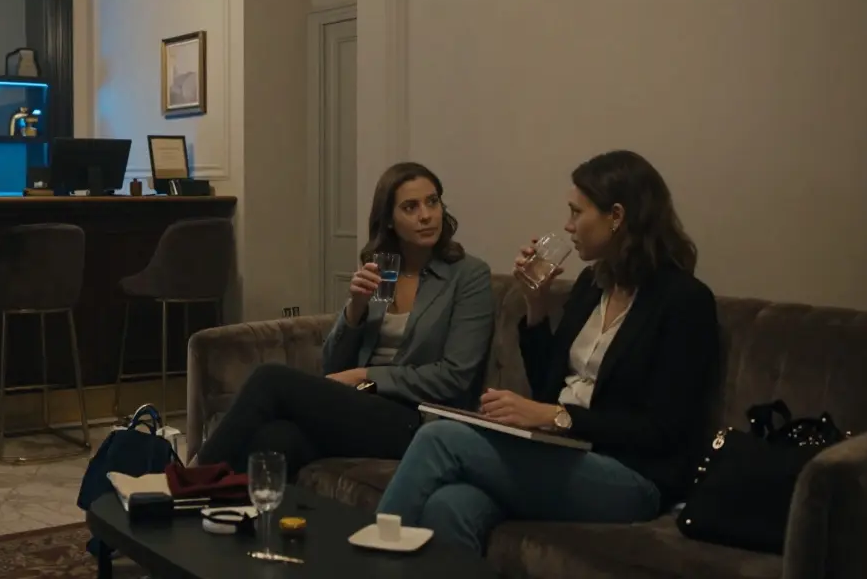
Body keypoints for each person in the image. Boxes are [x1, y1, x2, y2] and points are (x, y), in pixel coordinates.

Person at [376, 150, 720, 554]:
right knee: (449, 506)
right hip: (563, 454)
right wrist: (536, 306)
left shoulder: (683, 300)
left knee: (439, 439)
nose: (568, 225)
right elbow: (548, 384)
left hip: (632, 476)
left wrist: (557, 418)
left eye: (577, 212)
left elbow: (663, 428)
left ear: (617, 216)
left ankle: (359, 567)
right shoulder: (593, 284)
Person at [194, 162, 495, 479]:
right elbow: (332, 366)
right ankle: (224, 517)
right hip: (362, 407)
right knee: (276, 440)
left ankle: (191, 479)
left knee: (270, 379)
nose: (426, 215)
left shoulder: (467, 276)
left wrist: (366, 375)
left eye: (432, 202)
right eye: (411, 207)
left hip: (418, 418)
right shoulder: (385, 270)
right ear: (389, 221)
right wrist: (356, 309)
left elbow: (454, 376)